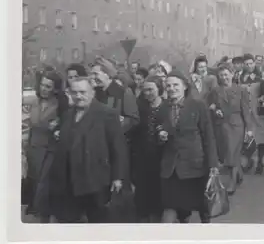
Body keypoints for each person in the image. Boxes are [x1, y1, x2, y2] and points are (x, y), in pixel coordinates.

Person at [49, 77, 127, 223]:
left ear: (92, 93)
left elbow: (118, 147)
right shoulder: (67, 115)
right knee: (69, 223)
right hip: (69, 181)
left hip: (96, 180)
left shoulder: (107, 114)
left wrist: (117, 177)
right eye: (75, 92)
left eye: (83, 92)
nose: (78, 96)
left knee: (98, 223)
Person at [158, 70, 219, 223]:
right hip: (171, 169)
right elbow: (159, 134)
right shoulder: (164, 108)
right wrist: (161, 137)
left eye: (175, 85)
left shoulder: (198, 106)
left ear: (185, 86)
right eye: (168, 85)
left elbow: (208, 137)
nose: (171, 88)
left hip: (195, 167)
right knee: (172, 209)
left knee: (202, 208)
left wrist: (213, 165)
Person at [25, 70, 67, 222]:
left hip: (50, 150)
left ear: (55, 89)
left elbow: (65, 125)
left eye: (48, 86)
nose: (44, 89)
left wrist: (58, 129)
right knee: (35, 183)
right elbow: (31, 126)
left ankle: (44, 219)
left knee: (43, 185)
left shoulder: (60, 104)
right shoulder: (34, 101)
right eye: (42, 85)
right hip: (34, 149)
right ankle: (41, 216)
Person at [208, 64, 253, 194]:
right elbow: (209, 104)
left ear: (232, 75)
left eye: (226, 74)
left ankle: (232, 183)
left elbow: (245, 109)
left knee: (232, 153)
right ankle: (239, 174)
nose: (224, 77)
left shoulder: (241, 90)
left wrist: (249, 128)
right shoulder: (215, 91)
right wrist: (215, 110)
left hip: (237, 125)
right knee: (226, 154)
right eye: (221, 75)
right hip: (222, 125)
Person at [132, 76, 167, 223]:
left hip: (162, 155)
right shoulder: (140, 107)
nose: (148, 93)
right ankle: (143, 216)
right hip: (142, 155)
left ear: (159, 89)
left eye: (151, 89)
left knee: (159, 187)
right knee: (142, 188)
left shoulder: (167, 107)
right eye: (145, 90)